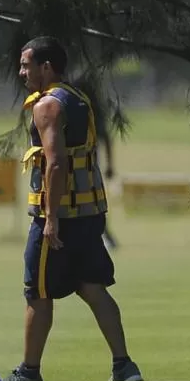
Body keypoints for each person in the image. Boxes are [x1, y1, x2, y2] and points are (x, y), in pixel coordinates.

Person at [6, 37, 142, 381]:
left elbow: (55, 163)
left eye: (26, 64)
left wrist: (51, 218)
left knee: (38, 292)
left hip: (60, 217)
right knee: (92, 287)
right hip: (89, 212)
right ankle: (124, 366)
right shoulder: (78, 98)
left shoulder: (47, 106)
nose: (22, 72)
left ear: (46, 67)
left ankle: (29, 372)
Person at [68, 74, 118, 250]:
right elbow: (107, 139)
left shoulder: (87, 112)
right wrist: (110, 164)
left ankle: (103, 235)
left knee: (89, 203)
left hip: (84, 166)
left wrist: (110, 164)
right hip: (86, 166)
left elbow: (105, 138)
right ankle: (101, 235)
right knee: (91, 203)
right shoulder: (89, 111)